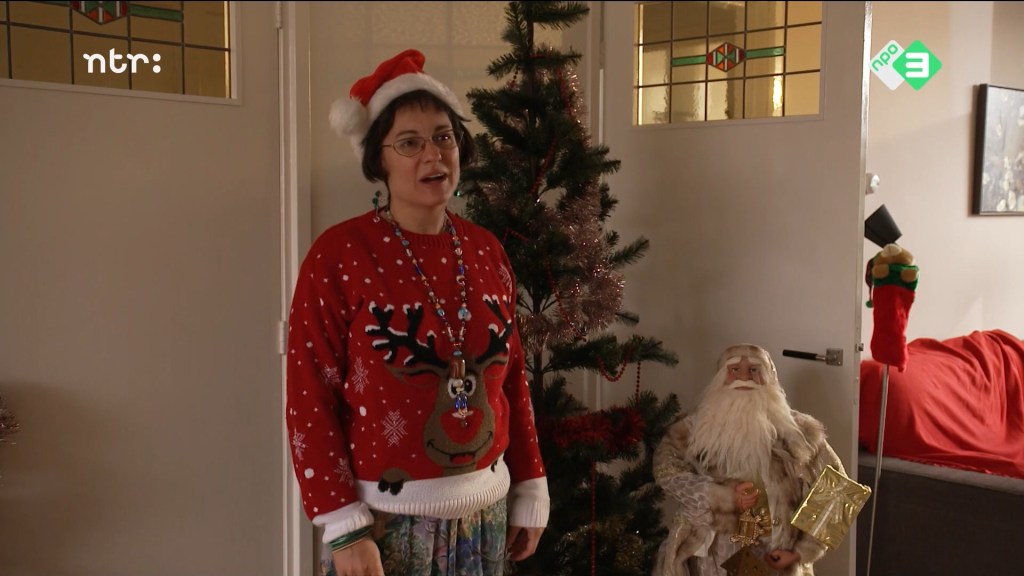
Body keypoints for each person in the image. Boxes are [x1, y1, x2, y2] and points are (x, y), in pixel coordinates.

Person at [285, 49, 549, 576]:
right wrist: (343, 526)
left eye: (444, 137)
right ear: (378, 160)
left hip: (486, 517)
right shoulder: (339, 255)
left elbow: (512, 377)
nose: (433, 155)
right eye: (409, 142)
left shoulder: (486, 249)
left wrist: (530, 484)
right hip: (382, 526)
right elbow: (308, 396)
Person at [651, 344, 843, 576]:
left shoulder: (799, 432)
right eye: (734, 369)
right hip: (713, 554)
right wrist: (721, 496)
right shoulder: (693, 429)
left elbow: (838, 489)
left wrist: (801, 551)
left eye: (754, 370)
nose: (744, 377)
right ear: (720, 377)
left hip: (776, 551)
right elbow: (667, 471)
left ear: (770, 377)